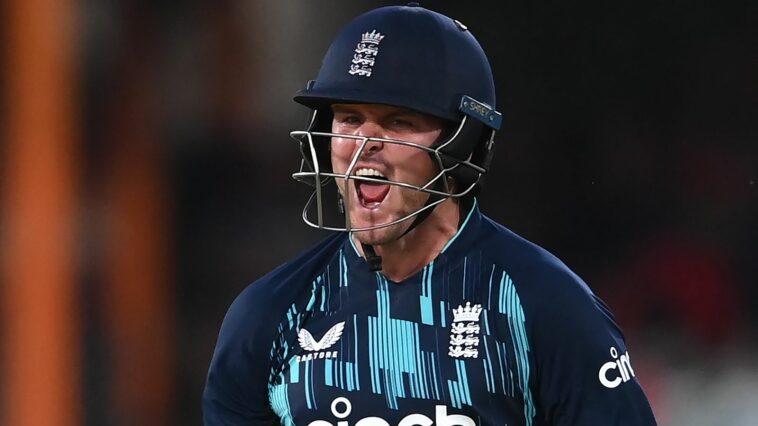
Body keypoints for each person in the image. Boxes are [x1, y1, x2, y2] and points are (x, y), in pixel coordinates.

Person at [203, 3, 658, 425]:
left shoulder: (544, 305)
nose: (365, 144)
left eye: (399, 122)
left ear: (461, 146)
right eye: (348, 118)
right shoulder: (268, 315)